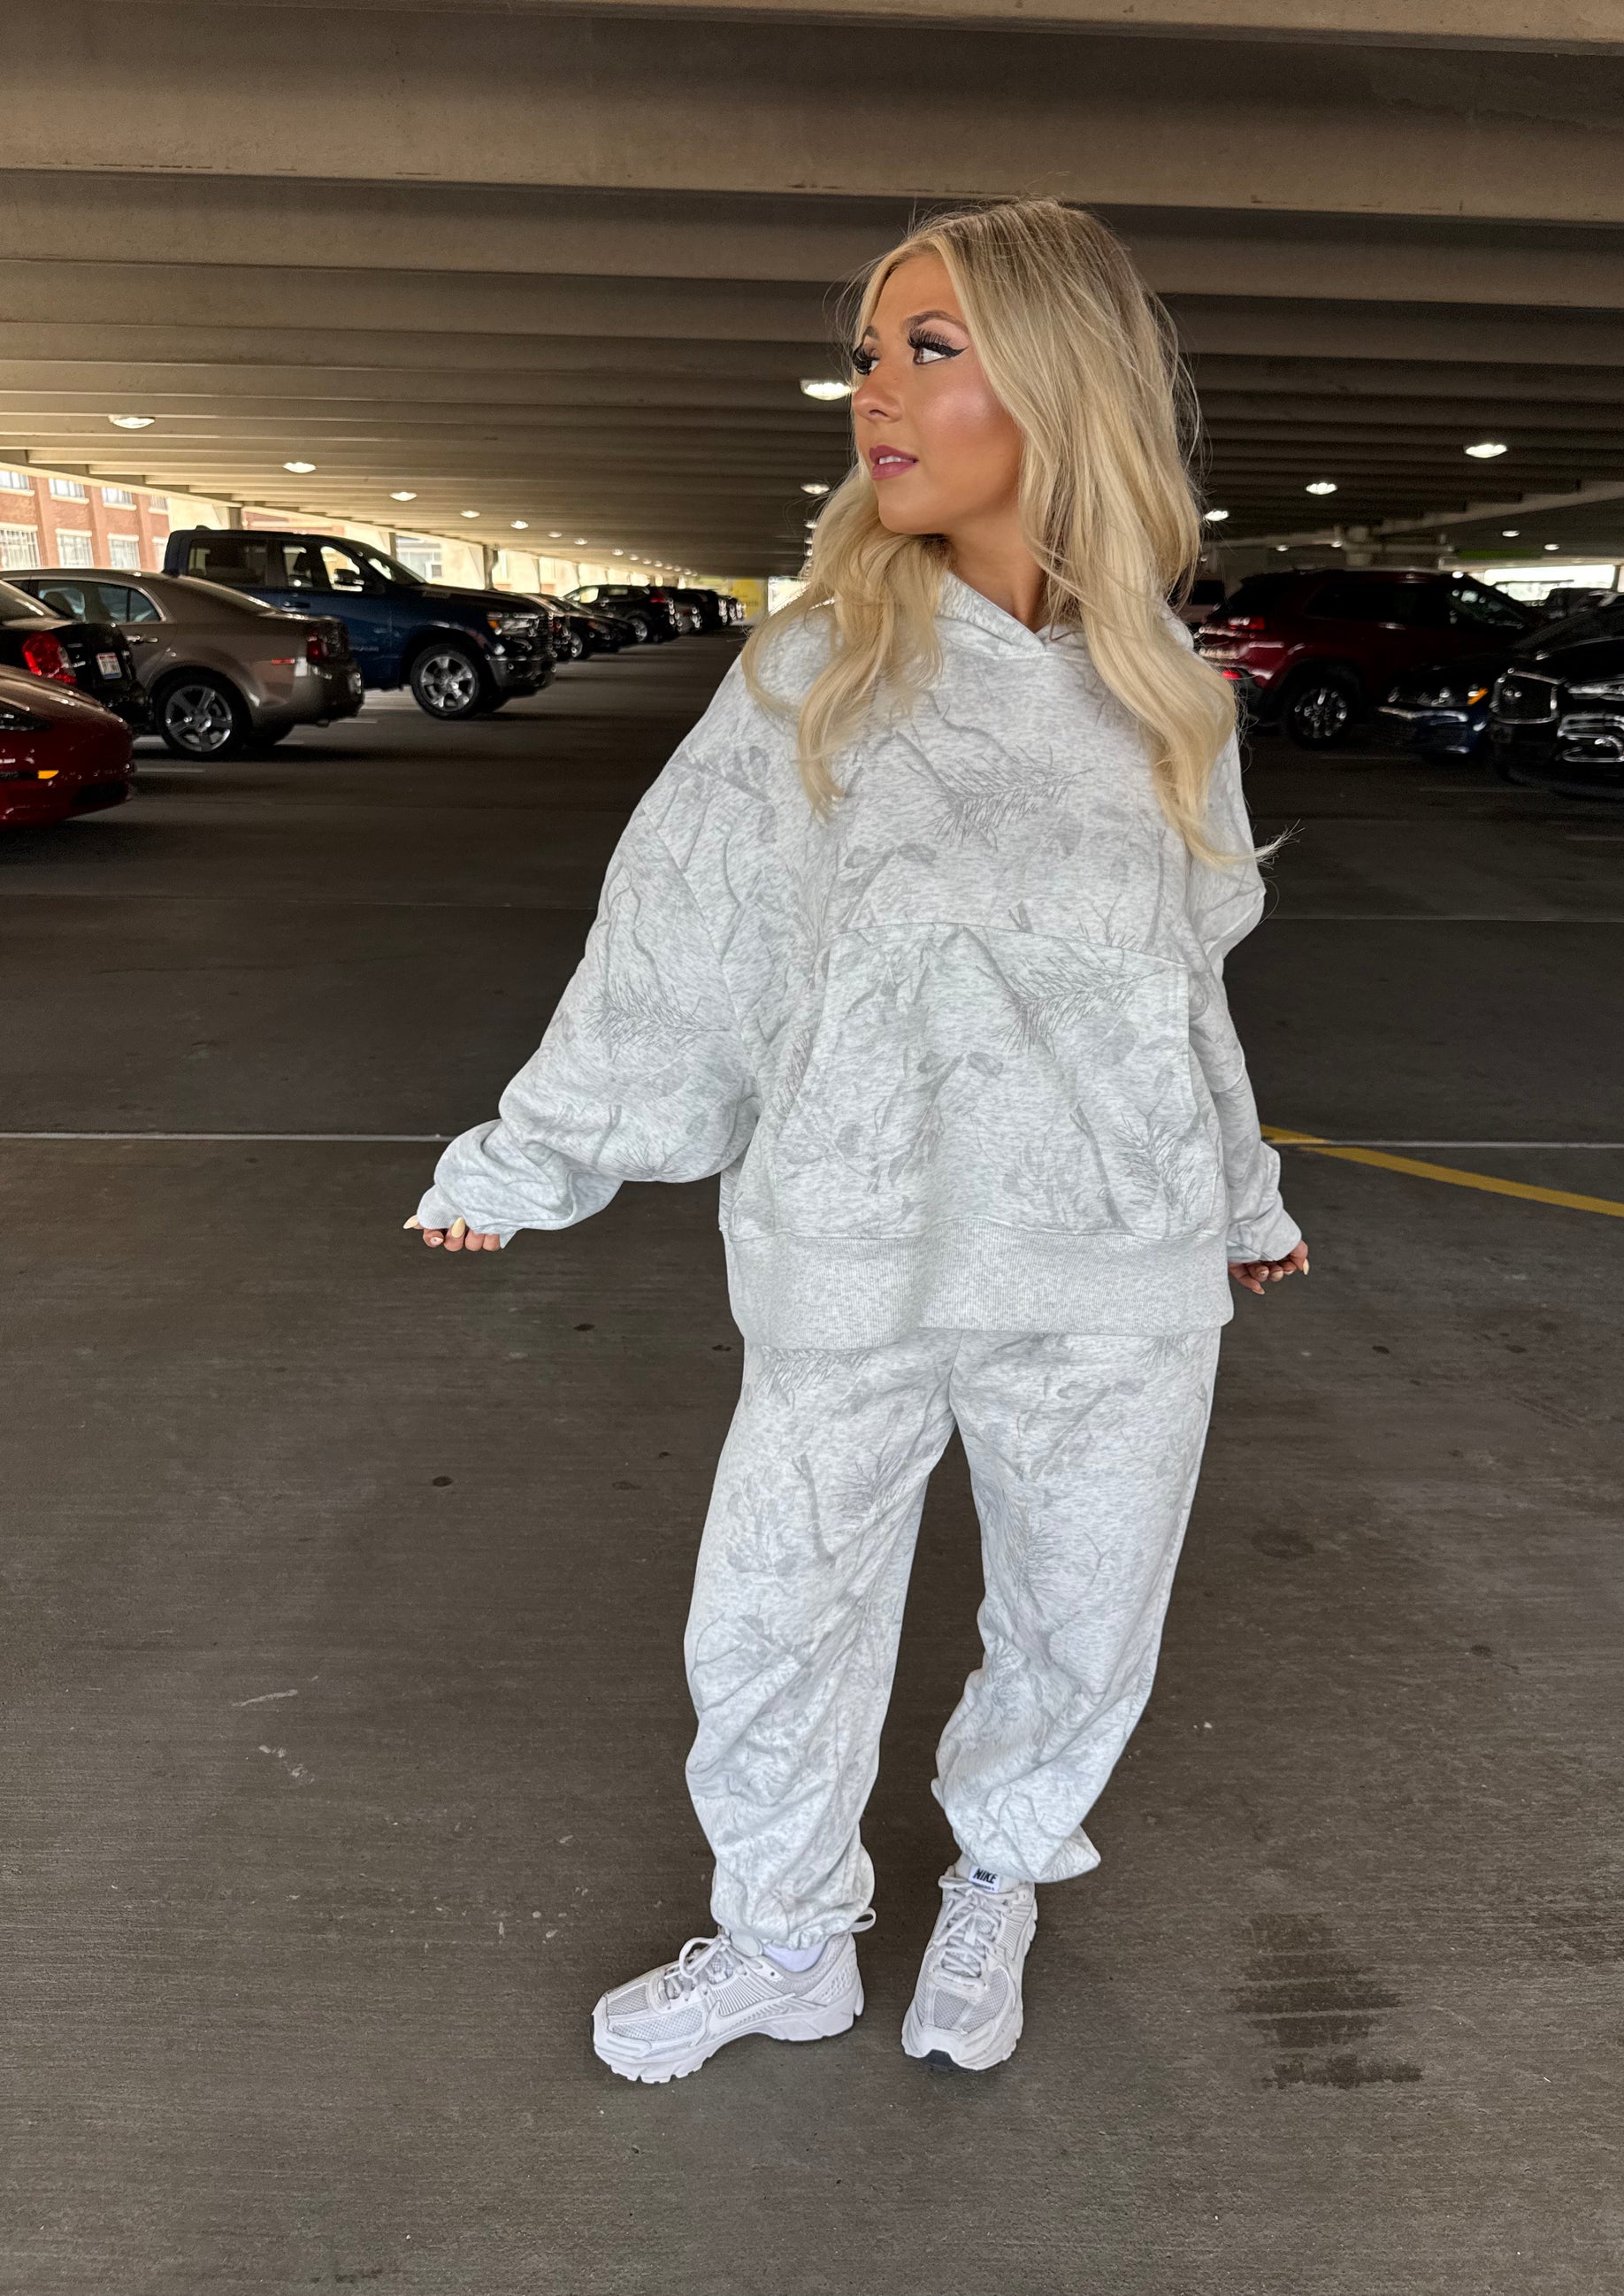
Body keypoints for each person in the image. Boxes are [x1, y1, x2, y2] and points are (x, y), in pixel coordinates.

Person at [408, 198, 1307, 2085]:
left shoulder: (1165, 693)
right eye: (868, 356)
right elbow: (678, 942)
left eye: (928, 350)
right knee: (772, 1609)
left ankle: (998, 1873)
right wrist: (531, 1155)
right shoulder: (812, 672)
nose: (871, 395)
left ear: (1059, 385)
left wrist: (1241, 1195)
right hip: (858, 1241)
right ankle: (785, 1935)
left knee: (1082, 1613)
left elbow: (1181, 988)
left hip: (1115, 1262)